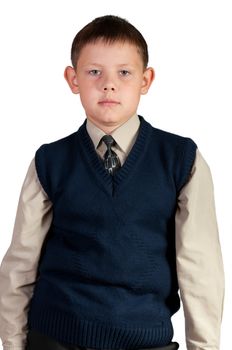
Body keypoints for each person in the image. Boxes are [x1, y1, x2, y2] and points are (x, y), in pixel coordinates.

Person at [0, 15, 224, 350]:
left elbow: (200, 267)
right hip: (56, 339)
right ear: (72, 79)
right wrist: (13, 345)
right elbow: (20, 264)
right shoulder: (50, 161)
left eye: (124, 72)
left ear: (145, 80)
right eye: (94, 72)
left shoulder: (181, 160)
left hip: (145, 342)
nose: (108, 84)